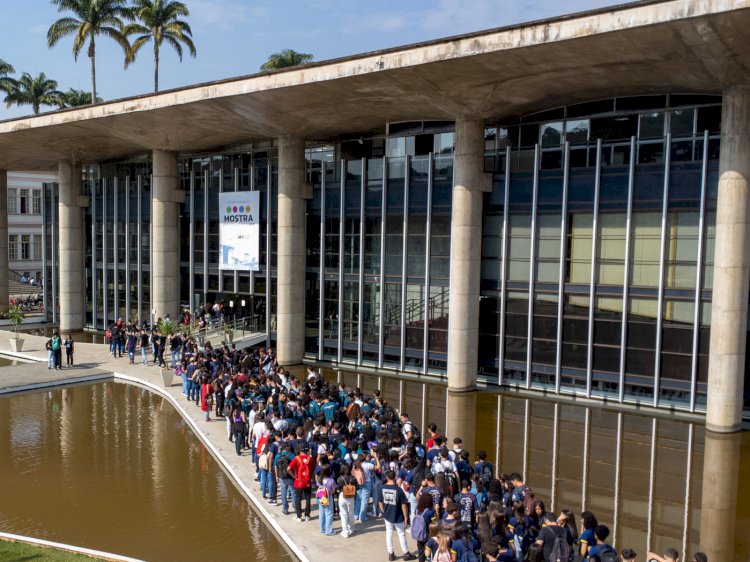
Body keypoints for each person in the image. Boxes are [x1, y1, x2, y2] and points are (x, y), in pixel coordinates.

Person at [378, 469, 416, 561]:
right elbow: (404, 506)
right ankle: (406, 553)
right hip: (398, 516)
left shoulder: (382, 487)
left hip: (387, 516)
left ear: (387, 477)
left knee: (389, 533)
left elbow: (380, 502)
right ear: (394, 477)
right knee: (401, 534)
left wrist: (383, 511)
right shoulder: (398, 490)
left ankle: (391, 553)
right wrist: (406, 517)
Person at [289, 443, 316, 522]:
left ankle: (299, 516)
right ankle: (307, 515)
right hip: (307, 482)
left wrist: (294, 475)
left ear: (299, 450)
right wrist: (309, 476)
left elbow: (288, 468)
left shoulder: (296, 458)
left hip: (298, 482)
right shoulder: (310, 459)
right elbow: (313, 469)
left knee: (298, 499)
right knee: (308, 498)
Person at [337, 462, 358, 537]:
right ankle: (351, 529)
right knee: (351, 513)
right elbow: (357, 488)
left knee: (343, 515)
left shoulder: (339, 478)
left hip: (342, 496)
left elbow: (338, 489)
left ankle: (345, 532)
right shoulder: (353, 478)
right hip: (351, 497)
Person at [316, 465, 337, 536]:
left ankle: (322, 529)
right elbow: (334, 490)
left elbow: (318, 485)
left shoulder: (319, 479)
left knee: (321, 513)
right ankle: (328, 531)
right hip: (328, 497)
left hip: (320, 495)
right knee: (329, 513)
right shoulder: (331, 480)